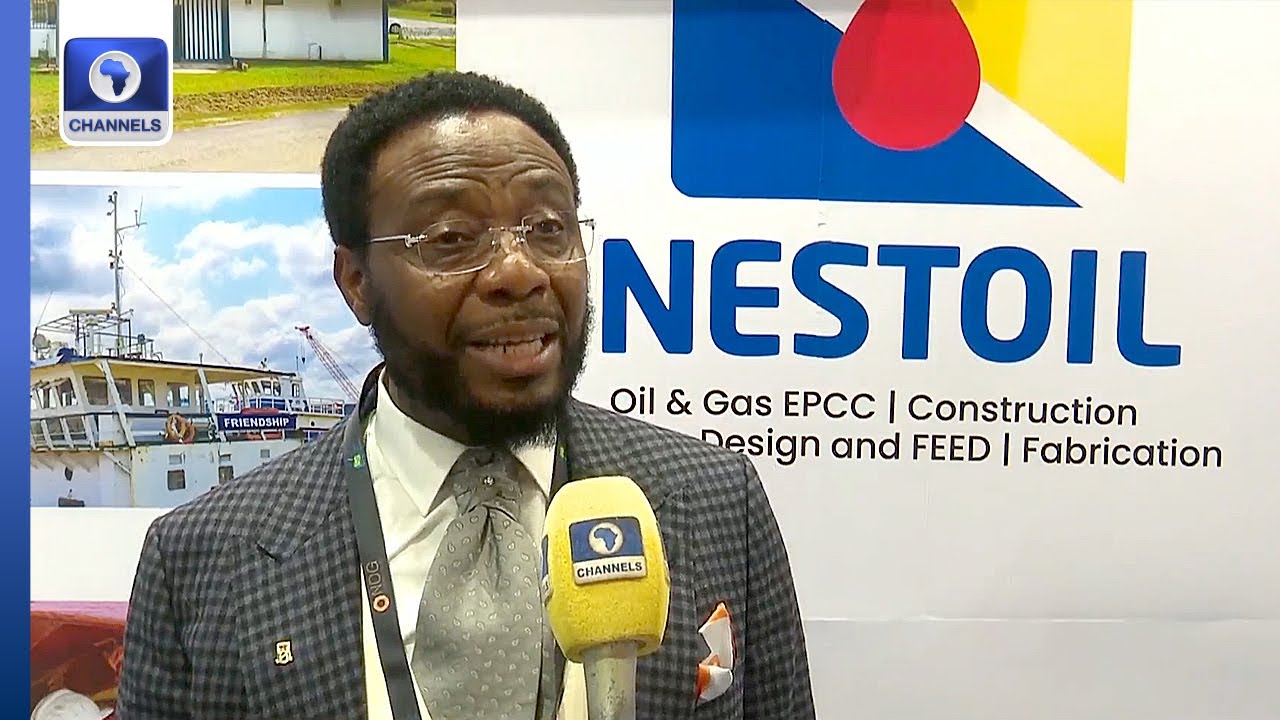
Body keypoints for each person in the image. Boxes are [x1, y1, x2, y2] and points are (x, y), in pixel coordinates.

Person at [116, 70, 814, 720]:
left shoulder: (717, 501)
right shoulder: (202, 557)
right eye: (451, 238)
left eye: (549, 229)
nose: (519, 271)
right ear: (356, 281)